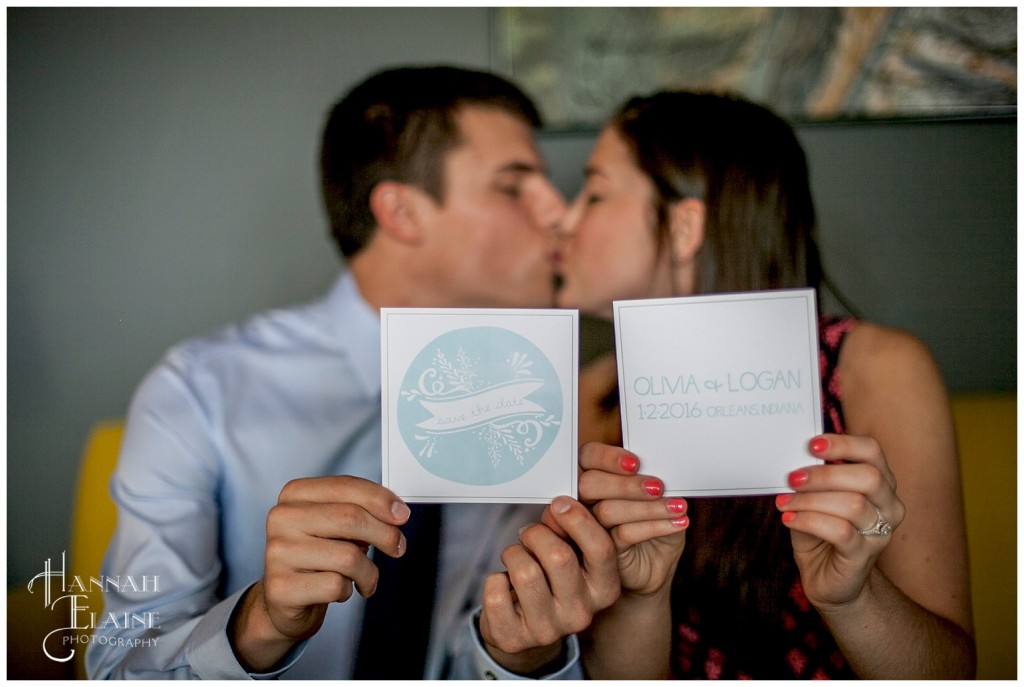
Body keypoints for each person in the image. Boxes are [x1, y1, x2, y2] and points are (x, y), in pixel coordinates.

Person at [86, 65, 623, 680]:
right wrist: (259, 624)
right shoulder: (199, 392)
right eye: (514, 185)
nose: (560, 213)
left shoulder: (541, 403)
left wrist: (520, 653)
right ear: (402, 212)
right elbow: (119, 669)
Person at [553, 91, 976, 679]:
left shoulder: (875, 369)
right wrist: (638, 597)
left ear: (684, 224)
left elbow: (951, 674)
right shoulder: (594, 397)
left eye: (594, 193)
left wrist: (853, 597)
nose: (563, 220)